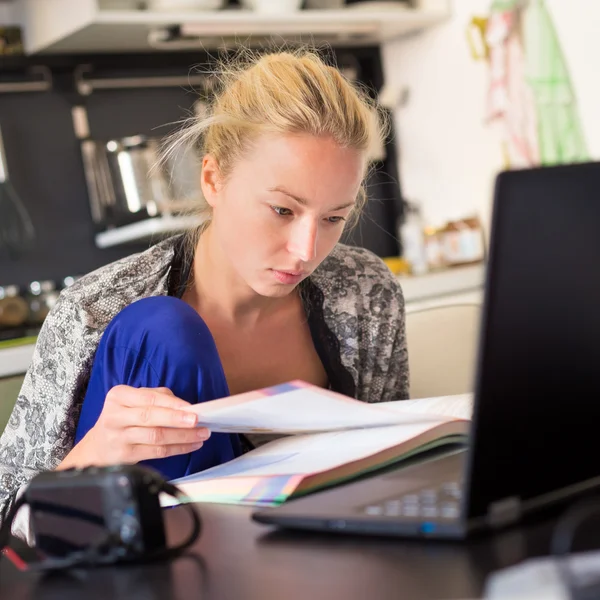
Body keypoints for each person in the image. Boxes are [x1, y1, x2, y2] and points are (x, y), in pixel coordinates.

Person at [0, 48, 409, 542]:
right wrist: (91, 457)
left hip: (312, 564)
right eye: (282, 210)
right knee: (164, 330)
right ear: (213, 179)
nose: (305, 250)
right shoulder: (93, 312)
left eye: (333, 218)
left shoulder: (366, 293)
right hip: (148, 570)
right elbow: (9, 521)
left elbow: (394, 467)